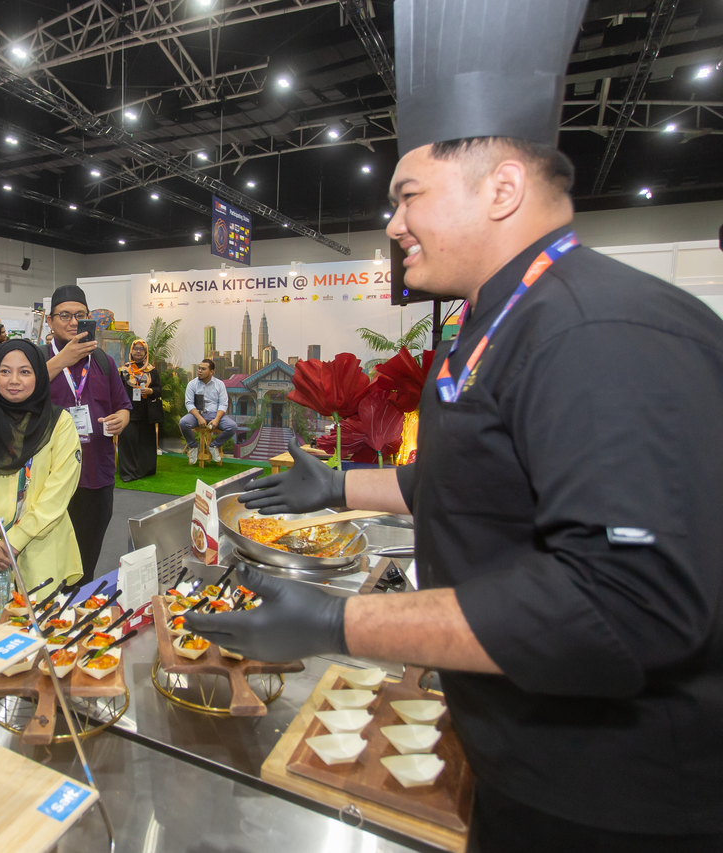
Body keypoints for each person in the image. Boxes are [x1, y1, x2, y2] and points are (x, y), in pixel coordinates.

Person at [189, 1, 723, 849]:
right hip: (521, 758)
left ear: (503, 187)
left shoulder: (597, 334)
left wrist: (340, 624)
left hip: (612, 802)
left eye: (408, 195)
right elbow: (488, 483)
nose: (393, 223)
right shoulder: (503, 317)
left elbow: (620, 606)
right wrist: (338, 483)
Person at [0, 340, 82, 590]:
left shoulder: (59, 423)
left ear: (39, 376)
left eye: (25, 371)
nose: (14, 379)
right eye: (4, 371)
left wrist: (14, 540)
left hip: (41, 548)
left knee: (44, 624)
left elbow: (59, 490)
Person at [42, 284, 130, 584]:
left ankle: (79, 612)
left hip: (96, 474)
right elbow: (20, 397)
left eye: (80, 315)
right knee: (48, 561)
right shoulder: (35, 360)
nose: (72, 321)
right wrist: (61, 361)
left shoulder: (103, 361)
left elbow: (122, 406)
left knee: (87, 557)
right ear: (49, 320)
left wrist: (121, 419)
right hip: (49, 479)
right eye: (64, 315)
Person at [117, 338, 162, 481]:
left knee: (145, 443)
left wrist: (150, 391)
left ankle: (145, 470)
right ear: (131, 351)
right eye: (135, 348)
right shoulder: (123, 370)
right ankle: (128, 473)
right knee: (128, 442)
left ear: (146, 352)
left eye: (141, 349)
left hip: (146, 412)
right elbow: (117, 390)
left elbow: (159, 390)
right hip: (127, 412)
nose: (138, 351)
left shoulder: (152, 371)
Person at [179, 359, 236, 464]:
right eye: (199, 368)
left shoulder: (219, 384)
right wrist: (199, 417)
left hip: (215, 414)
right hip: (197, 414)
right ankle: (193, 446)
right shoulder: (192, 384)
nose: (199, 371)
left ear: (211, 371)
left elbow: (223, 404)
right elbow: (189, 403)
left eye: (203, 369)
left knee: (232, 426)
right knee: (183, 423)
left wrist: (217, 419)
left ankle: (214, 445)